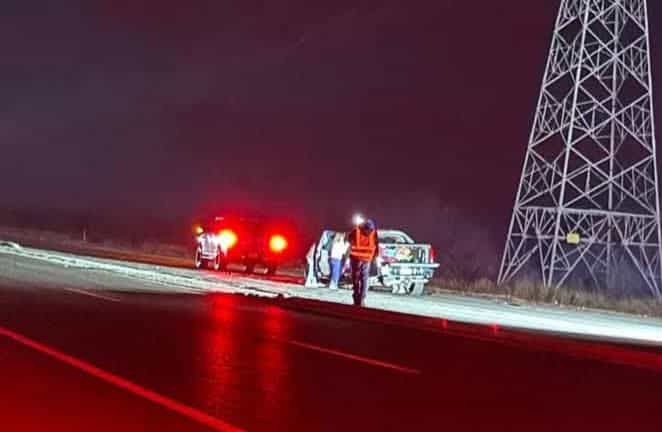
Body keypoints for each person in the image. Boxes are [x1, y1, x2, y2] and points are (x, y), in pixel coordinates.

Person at [348, 219, 379, 306]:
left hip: (355, 258)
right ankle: (361, 299)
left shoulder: (356, 230)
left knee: (355, 278)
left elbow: (349, 239)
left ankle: (356, 299)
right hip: (367, 259)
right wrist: (375, 257)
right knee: (364, 279)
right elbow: (376, 245)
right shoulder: (374, 232)